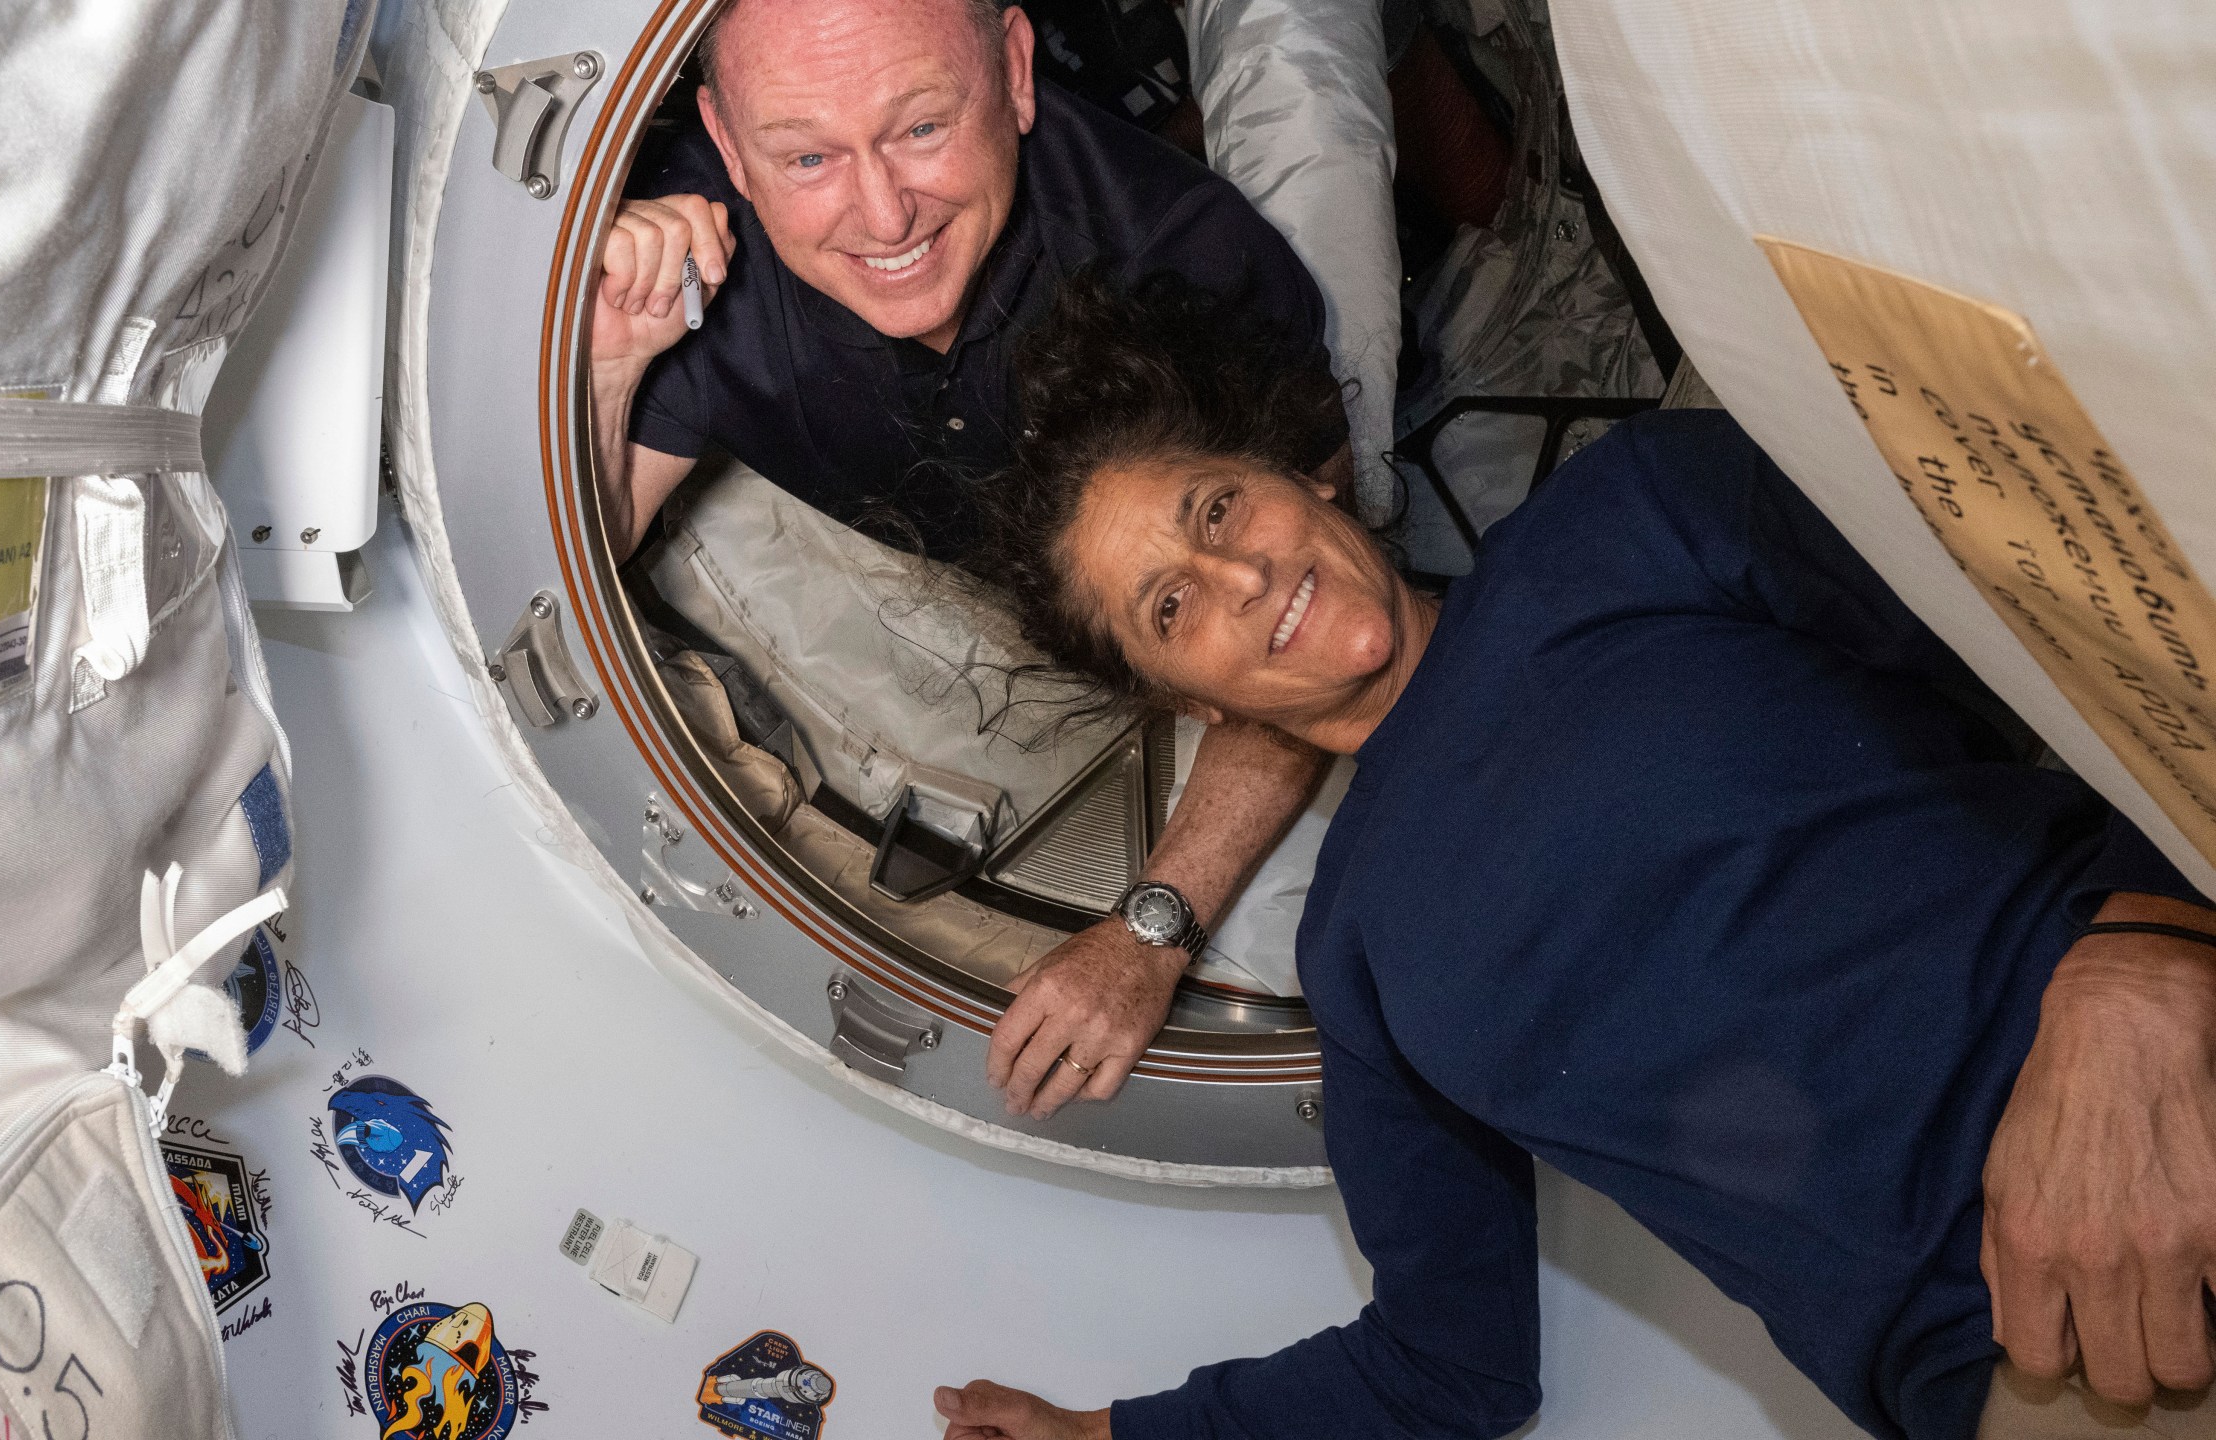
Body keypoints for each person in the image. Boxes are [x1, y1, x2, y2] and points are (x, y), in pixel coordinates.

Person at [931, 274, 2216, 1440]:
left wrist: (2147, 957)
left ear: (1302, 476)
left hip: (2171, 1074)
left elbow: (2090, 649)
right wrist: (1108, 1436)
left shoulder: (1632, 513)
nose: (1239, 574)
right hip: (2041, 1374)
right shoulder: (1357, 954)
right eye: (1172, 606)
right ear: (1189, 705)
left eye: (1216, 507)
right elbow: (1447, 1366)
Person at [590, 0, 1356, 1112]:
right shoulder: (695, 243)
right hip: (970, 560)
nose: (881, 211)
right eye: (806, 154)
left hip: (1200, 528)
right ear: (726, 141)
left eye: (919, 128)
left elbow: (1320, 620)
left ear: (1014, 68)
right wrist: (612, 360)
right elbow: (587, 538)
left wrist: (1153, 929)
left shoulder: (1179, 263)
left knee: (1310, 106)